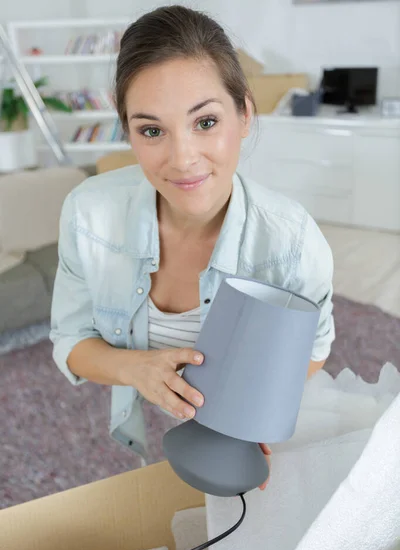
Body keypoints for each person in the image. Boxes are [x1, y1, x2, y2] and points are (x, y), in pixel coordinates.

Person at [50, 5, 335, 491]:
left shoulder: (292, 241)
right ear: (129, 133)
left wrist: (246, 413)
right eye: (152, 130)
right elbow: (70, 341)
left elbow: (314, 348)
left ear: (244, 114)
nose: (182, 159)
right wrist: (137, 369)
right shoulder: (88, 214)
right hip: (137, 428)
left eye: (205, 122)